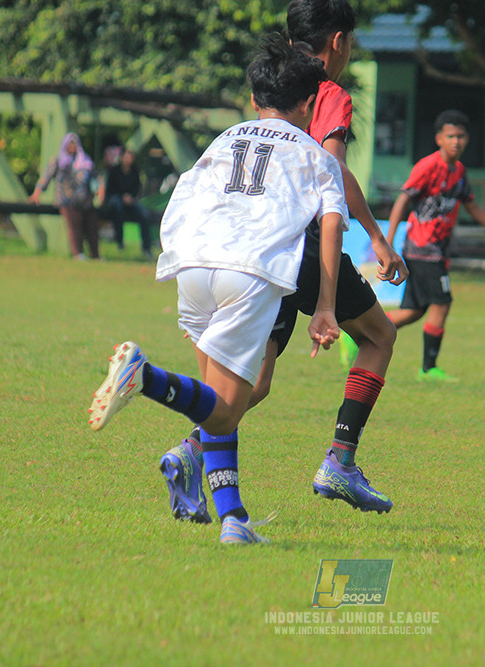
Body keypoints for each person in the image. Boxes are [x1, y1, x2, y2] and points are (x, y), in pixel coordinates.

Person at [88, 35, 347, 545]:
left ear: (254, 101)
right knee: (229, 407)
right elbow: (333, 225)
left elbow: (185, 192)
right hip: (247, 271)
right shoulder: (315, 154)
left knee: (218, 404)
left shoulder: (224, 138)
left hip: (194, 265)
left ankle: (233, 521)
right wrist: (325, 307)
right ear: (309, 104)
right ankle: (145, 376)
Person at [196, 0, 407, 518]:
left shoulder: (276, 81)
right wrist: (377, 238)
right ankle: (340, 459)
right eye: (350, 42)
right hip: (311, 244)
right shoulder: (326, 91)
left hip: (260, 243)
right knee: (380, 337)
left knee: (255, 380)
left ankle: (187, 454)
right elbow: (329, 173)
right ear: (338, 42)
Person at [385, 109, 485, 381]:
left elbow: (473, 207)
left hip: (436, 250)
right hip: (423, 249)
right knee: (442, 303)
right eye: (450, 136)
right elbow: (403, 200)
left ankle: (358, 334)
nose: (456, 141)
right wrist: (386, 242)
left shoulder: (458, 172)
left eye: (460, 136)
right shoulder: (427, 166)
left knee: (414, 311)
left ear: (467, 139)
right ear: (439, 138)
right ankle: (428, 368)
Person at [29, 133, 100, 260]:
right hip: (66, 200)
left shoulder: (85, 161)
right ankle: (78, 253)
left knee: (92, 226)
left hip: (85, 201)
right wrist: (37, 192)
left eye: (74, 144)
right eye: (69, 144)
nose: (72, 147)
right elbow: (46, 177)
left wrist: (99, 190)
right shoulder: (58, 161)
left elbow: (95, 178)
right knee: (74, 224)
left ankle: (95, 255)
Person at [99, 148, 154, 259]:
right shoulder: (114, 171)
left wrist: (131, 198)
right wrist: (122, 196)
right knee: (117, 208)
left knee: (144, 214)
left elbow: (137, 189)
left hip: (131, 201)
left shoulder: (134, 172)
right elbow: (110, 190)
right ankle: (119, 241)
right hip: (116, 200)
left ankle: (147, 248)